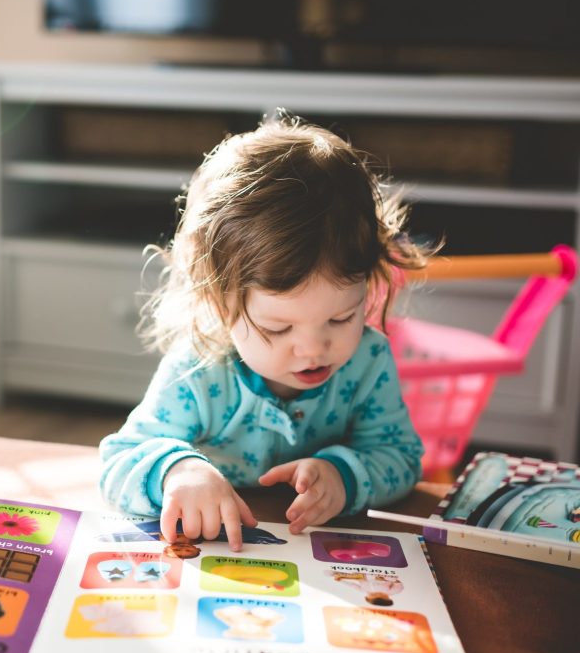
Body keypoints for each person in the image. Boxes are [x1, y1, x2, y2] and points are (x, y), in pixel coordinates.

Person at [99, 112, 429, 551]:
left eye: (341, 318)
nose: (314, 348)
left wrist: (344, 476)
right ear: (219, 304)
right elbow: (119, 460)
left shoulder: (367, 362)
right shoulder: (198, 371)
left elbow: (402, 459)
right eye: (278, 327)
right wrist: (179, 471)